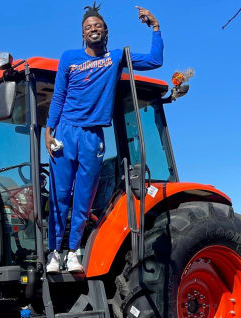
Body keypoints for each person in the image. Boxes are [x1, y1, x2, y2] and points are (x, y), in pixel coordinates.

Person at [45, 3, 163, 272]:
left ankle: (74, 251)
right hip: (66, 131)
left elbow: (156, 61)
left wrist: (155, 27)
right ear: (82, 34)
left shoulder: (116, 58)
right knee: (60, 194)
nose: (93, 29)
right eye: (88, 27)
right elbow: (59, 96)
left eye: (97, 25)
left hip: (93, 135)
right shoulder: (69, 57)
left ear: (105, 31)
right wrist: (48, 130)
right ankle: (54, 253)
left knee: (84, 197)